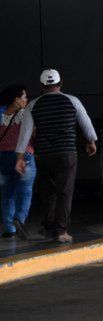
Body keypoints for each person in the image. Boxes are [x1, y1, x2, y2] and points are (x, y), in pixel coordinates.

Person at [15, 69, 98, 243]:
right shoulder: (72, 101)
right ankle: (60, 231)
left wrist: (20, 158)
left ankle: (48, 227)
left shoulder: (33, 105)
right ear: (60, 84)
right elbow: (86, 123)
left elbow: (25, 133)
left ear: (42, 86)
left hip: (43, 155)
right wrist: (91, 141)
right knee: (64, 192)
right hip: (66, 153)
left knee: (48, 192)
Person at [0, 85, 35, 239]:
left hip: (2, 158)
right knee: (25, 190)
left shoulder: (0, 113)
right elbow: (33, 133)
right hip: (24, 156)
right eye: (24, 97)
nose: (26, 100)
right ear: (17, 99)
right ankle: (19, 219)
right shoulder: (26, 114)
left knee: (7, 193)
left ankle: (9, 227)